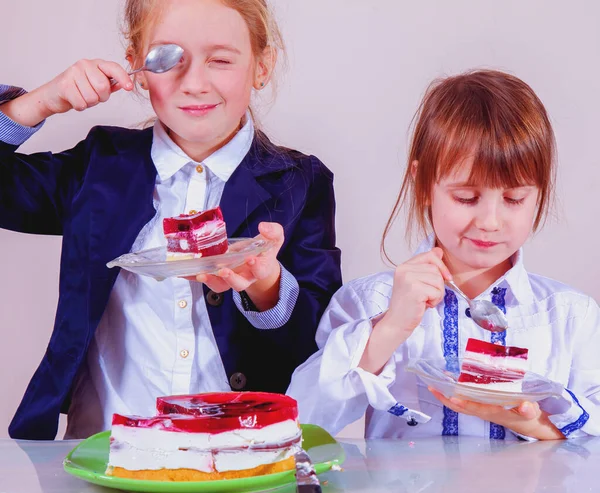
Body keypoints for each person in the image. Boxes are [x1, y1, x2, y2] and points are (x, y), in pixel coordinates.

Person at [0, 0, 341, 440]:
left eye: (219, 60)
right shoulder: (100, 165)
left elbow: (323, 346)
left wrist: (266, 285)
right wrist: (40, 103)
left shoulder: (300, 182)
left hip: (242, 453)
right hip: (104, 450)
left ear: (261, 66)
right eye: (169, 58)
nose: (194, 83)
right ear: (135, 66)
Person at [288, 69, 599, 440]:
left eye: (514, 198)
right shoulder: (367, 301)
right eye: (466, 197)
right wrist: (390, 327)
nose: (490, 221)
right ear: (423, 185)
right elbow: (303, 424)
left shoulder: (569, 315)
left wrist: (528, 422)